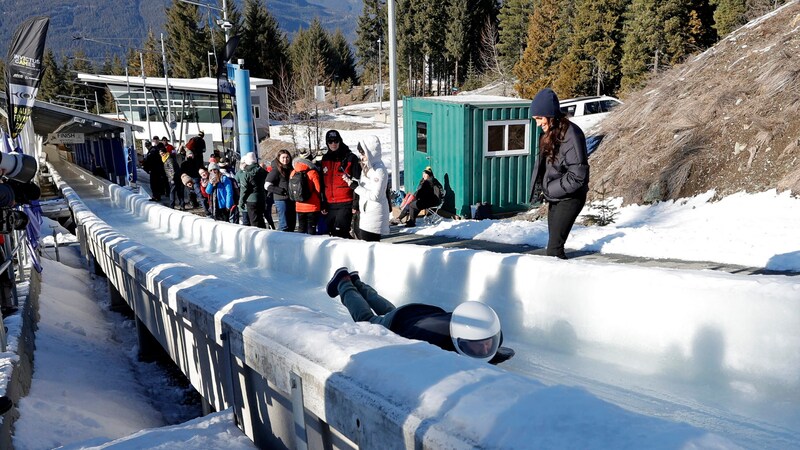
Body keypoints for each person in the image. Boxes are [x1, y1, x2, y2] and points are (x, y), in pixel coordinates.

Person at [326, 267, 514, 364]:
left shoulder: (487, 331)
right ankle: (344, 282)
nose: (484, 349)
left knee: (390, 310)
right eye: (477, 346)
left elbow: (488, 345)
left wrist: (492, 353)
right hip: (406, 324)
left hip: (420, 312)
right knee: (367, 321)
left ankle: (357, 282)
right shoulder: (434, 342)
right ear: (458, 341)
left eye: (487, 344)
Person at [528, 88, 589, 259]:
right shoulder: (552, 134)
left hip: (571, 197)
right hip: (556, 196)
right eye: (535, 119)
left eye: (539, 118)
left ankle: (560, 282)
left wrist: (550, 189)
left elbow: (578, 175)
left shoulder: (572, 135)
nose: (538, 124)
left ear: (551, 115)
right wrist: (541, 189)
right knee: (553, 249)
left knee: (554, 250)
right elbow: (545, 168)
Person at [341, 136, 389, 241]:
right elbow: (366, 186)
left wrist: (356, 187)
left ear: (371, 152)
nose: (361, 156)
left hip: (374, 215)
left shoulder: (379, 171)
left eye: (363, 153)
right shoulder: (368, 167)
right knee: (365, 245)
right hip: (366, 213)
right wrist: (352, 182)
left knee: (370, 246)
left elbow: (376, 195)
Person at [319, 130, 361, 239]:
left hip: (345, 203)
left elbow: (359, 183)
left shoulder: (350, 158)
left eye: (336, 141)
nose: (333, 144)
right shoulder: (325, 159)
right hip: (329, 204)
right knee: (330, 234)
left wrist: (355, 204)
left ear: (340, 141)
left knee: (340, 233)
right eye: (330, 141)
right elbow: (322, 184)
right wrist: (323, 202)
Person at [265, 149, 296, 232]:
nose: (285, 159)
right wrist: (281, 191)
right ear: (279, 158)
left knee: (292, 223)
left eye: (287, 157)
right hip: (281, 200)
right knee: (284, 224)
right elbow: (267, 185)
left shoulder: (291, 169)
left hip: (291, 199)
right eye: (283, 157)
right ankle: (280, 242)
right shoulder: (276, 170)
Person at [291, 155, 322, 234]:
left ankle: (300, 245)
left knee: (301, 228)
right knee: (311, 229)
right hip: (312, 206)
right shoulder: (313, 172)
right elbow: (318, 188)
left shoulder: (293, 172)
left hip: (299, 205)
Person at [239, 152, 268, 228]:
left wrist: (241, 202)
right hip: (262, 198)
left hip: (251, 200)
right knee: (261, 219)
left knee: (254, 221)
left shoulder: (246, 174)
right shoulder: (263, 172)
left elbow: (244, 189)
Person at [161, 145, 185, 210]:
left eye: (162, 153)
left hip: (174, 177)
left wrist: (172, 178)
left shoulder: (169, 159)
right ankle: (181, 204)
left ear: (165, 152)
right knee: (177, 191)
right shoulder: (166, 159)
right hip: (173, 177)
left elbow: (172, 169)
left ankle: (172, 205)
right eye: (160, 154)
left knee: (173, 191)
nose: (161, 155)